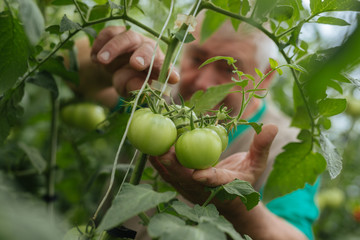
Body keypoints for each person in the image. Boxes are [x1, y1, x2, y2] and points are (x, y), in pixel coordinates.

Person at [73, 15, 319, 240]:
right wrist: (111, 65)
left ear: (265, 77)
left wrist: (240, 211)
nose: (203, 83)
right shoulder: (159, 97)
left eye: (228, 68)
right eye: (197, 59)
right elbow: (74, 72)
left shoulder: (290, 144)